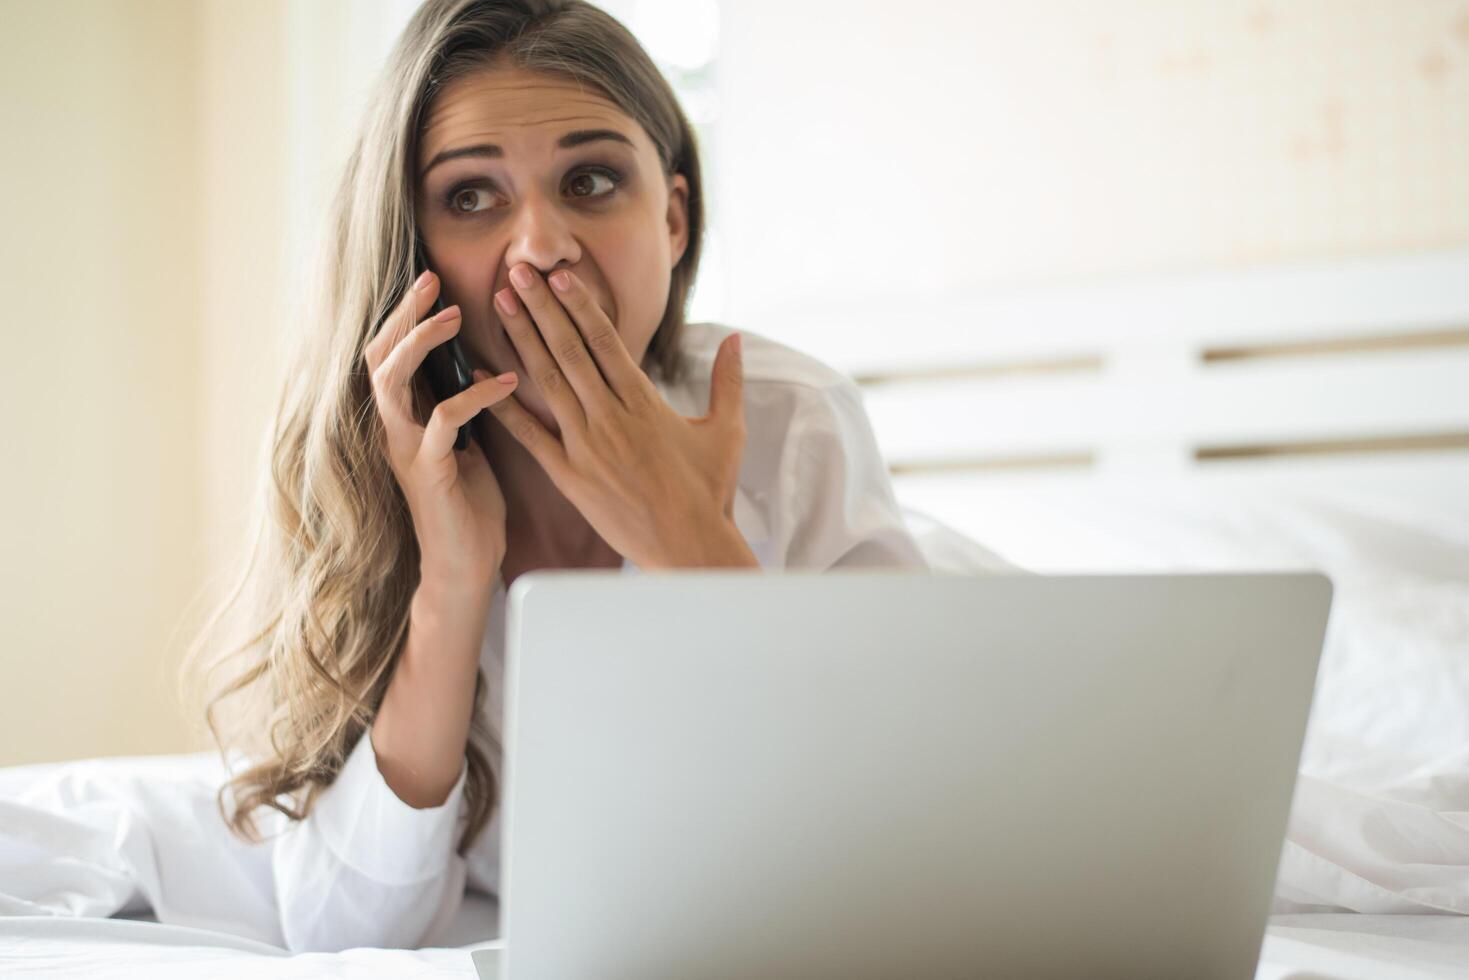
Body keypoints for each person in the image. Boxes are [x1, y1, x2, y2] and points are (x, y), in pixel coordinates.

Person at [183, 0, 929, 953]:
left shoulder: (793, 424)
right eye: (469, 197)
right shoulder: (368, 468)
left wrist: (687, 541)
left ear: (670, 219)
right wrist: (451, 584)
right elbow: (342, 935)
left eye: (589, 179)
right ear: (412, 251)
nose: (540, 247)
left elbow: (901, 840)